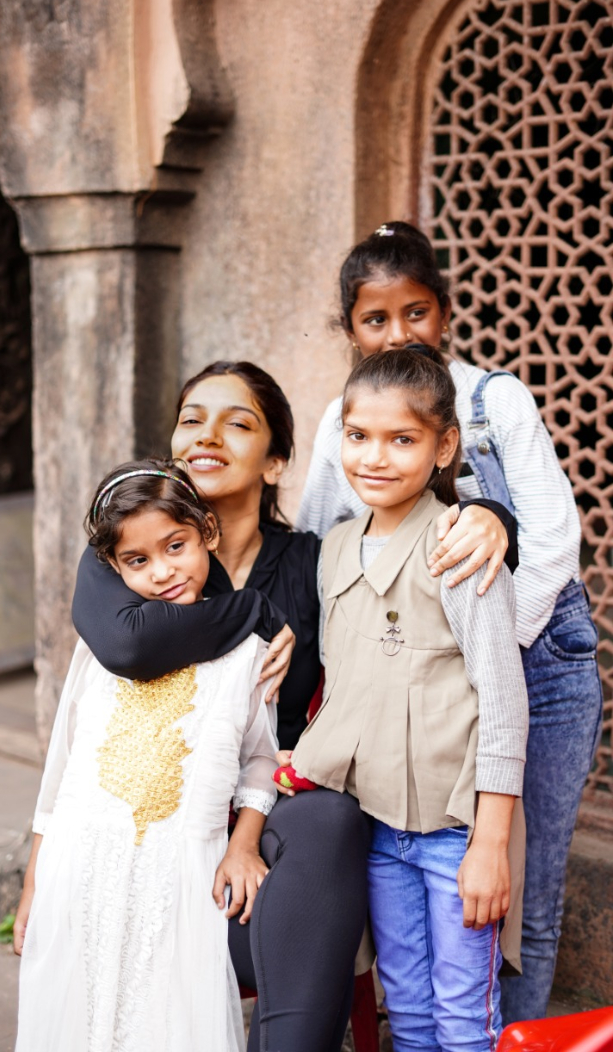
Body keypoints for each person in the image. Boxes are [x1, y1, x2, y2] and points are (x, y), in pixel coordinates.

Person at [71, 361, 516, 1052]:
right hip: (157, 826)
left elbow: (394, 572)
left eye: (237, 422)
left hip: (309, 816)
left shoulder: (318, 557)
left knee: (330, 831)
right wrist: (249, 615)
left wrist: (493, 516)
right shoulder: (126, 556)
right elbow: (122, 654)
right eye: (191, 419)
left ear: (279, 459)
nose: (207, 436)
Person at [297, 221, 603, 1023]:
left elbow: (552, 544)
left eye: (417, 312)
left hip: (532, 648)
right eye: (375, 318)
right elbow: (324, 538)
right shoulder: (343, 420)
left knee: (517, 896)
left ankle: (513, 1037)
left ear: (445, 310)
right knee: (417, 930)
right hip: (434, 661)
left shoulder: (490, 398)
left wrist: (482, 644)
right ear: (350, 327)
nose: (399, 332)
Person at [289, 346, 529, 1050]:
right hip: (377, 831)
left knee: (462, 1020)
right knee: (411, 1013)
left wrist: (489, 845)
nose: (376, 457)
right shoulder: (332, 549)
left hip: (456, 835)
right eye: (359, 436)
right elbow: (344, 680)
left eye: (403, 439)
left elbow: (505, 704)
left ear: (443, 445)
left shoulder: (460, 545)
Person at [14, 459, 282, 1052]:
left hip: (182, 879)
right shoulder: (99, 655)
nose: (163, 572)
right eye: (138, 561)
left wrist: (242, 844)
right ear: (112, 566)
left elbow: (263, 760)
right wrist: (36, 878)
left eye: (176, 546)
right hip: (80, 867)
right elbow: (59, 772)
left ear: (207, 533)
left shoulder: (248, 655)